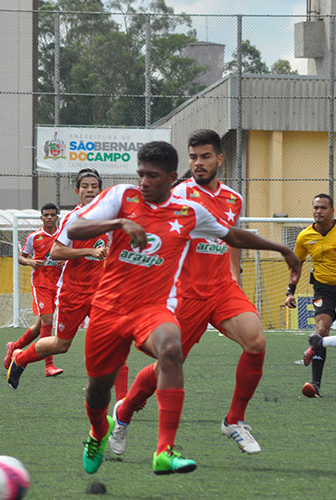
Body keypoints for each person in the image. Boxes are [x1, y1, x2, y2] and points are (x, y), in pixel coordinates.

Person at [51, 141, 300, 476]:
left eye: (152, 176)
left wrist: (282, 249)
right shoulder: (122, 197)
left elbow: (231, 236)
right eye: (140, 174)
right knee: (98, 392)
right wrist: (118, 224)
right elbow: (74, 229)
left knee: (171, 349)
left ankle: (165, 450)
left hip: (153, 307)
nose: (143, 182)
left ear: (170, 177)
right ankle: (99, 431)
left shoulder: (188, 212)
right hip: (109, 309)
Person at [109, 129, 274, 457]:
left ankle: (234, 420)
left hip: (222, 289)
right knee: (165, 367)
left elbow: (230, 240)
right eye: (193, 157)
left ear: (219, 159)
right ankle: (125, 411)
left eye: (205, 157)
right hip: (185, 295)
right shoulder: (179, 194)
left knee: (256, 342)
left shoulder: (233, 199)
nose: (198, 163)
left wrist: (235, 278)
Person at [7, 169, 128, 400]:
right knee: (61, 345)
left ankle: (123, 404)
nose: (90, 190)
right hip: (73, 292)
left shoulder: (110, 218)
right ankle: (20, 358)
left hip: (100, 293)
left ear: (100, 190)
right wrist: (88, 251)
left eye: (94, 186)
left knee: (115, 342)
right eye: (85, 186)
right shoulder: (74, 218)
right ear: (77, 190)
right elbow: (56, 251)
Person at [285, 194, 336, 397]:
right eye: (316, 207)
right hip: (323, 289)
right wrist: (290, 291)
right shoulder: (305, 236)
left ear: (332, 211)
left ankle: (318, 345)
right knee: (321, 328)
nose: (318, 211)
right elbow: (296, 265)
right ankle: (315, 385)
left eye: (323, 208)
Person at [3, 202, 65, 377]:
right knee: (48, 320)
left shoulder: (64, 236)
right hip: (41, 283)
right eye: (46, 215)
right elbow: (21, 258)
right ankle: (49, 366)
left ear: (57, 217)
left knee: (40, 326)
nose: (49, 218)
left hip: (59, 284)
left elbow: (71, 256)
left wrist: (65, 261)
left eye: (52, 215)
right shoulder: (34, 237)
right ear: (41, 217)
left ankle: (14, 347)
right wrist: (31, 262)